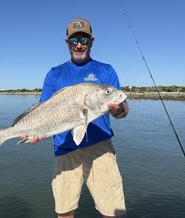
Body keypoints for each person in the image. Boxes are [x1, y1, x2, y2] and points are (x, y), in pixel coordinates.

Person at [28, 18, 129, 218]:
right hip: (65, 148)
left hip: (100, 147)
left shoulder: (105, 70)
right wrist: (36, 130)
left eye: (83, 39)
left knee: (112, 211)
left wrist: (116, 109)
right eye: (74, 41)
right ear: (67, 43)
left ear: (92, 41)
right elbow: (43, 109)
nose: (79, 45)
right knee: (64, 210)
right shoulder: (54, 74)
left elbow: (123, 110)